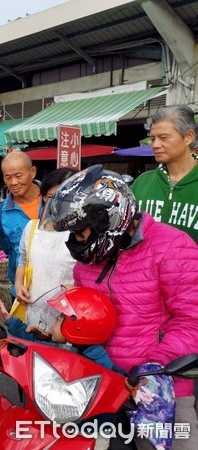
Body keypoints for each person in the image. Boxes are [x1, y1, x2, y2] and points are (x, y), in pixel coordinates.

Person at [48, 164, 198, 449]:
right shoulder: (89, 261)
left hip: (160, 388)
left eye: (81, 232)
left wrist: (154, 365)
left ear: (109, 218)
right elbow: (86, 314)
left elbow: (193, 319)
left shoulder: (173, 247)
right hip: (101, 383)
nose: (77, 242)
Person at [0, 286, 116, 369]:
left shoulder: (97, 360)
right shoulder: (65, 345)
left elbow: (115, 379)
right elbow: (33, 342)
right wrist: (10, 320)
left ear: (76, 328)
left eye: (58, 319)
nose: (53, 323)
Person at [13, 168, 78, 311]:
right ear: (43, 197)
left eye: (64, 198)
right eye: (51, 196)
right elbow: (23, 261)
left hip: (66, 316)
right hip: (31, 309)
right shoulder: (32, 228)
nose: (57, 204)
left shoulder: (81, 234)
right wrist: (18, 286)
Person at [132, 105, 198, 244]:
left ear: (188, 137)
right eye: (153, 138)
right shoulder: (141, 183)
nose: (155, 145)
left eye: (163, 138)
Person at [0, 151, 43, 300]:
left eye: (18, 176)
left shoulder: (53, 200)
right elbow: (10, 250)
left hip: (57, 287)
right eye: (8, 177)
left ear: (32, 172)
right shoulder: (0, 215)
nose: (13, 182)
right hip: (23, 290)